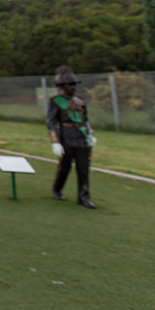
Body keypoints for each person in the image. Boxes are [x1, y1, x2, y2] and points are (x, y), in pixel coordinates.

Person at [47, 66, 97, 208]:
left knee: (83, 168)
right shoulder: (55, 101)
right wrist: (55, 142)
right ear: (62, 86)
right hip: (66, 137)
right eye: (69, 84)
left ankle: (84, 197)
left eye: (74, 84)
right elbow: (51, 122)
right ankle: (57, 189)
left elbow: (85, 119)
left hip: (81, 138)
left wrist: (90, 134)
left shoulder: (80, 101)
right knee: (65, 167)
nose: (72, 87)